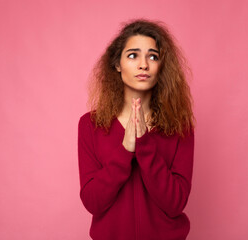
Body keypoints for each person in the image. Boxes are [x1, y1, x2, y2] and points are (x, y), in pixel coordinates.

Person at [78, 18, 196, 240]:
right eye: (133, 55)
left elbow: (175, 203)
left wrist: (145, 146)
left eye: (153, 56)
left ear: (162, 67)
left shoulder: (181, 126)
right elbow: (93, 201)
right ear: (117, 64)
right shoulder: (89, 125)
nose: (144, 64)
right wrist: (125, 151)